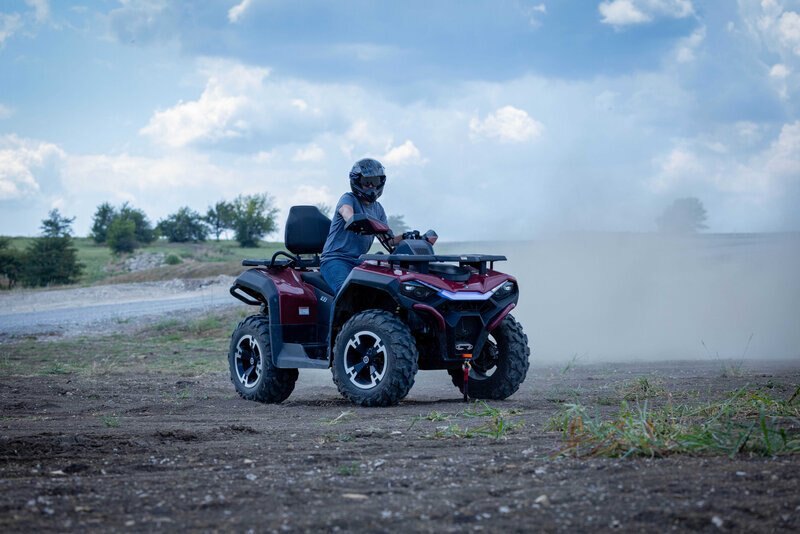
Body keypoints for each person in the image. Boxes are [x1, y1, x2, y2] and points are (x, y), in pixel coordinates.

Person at [320, 158, 403, 293]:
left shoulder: (378, 209)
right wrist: (355, 220)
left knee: (382, 290)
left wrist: (407, 237)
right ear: (357, 182)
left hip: (359, 261)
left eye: (375, 182)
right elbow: (346, 212)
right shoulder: (348, 198)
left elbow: (389, 241)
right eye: (366, 182)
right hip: (336, 259)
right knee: (347, 294)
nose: (371, 186)